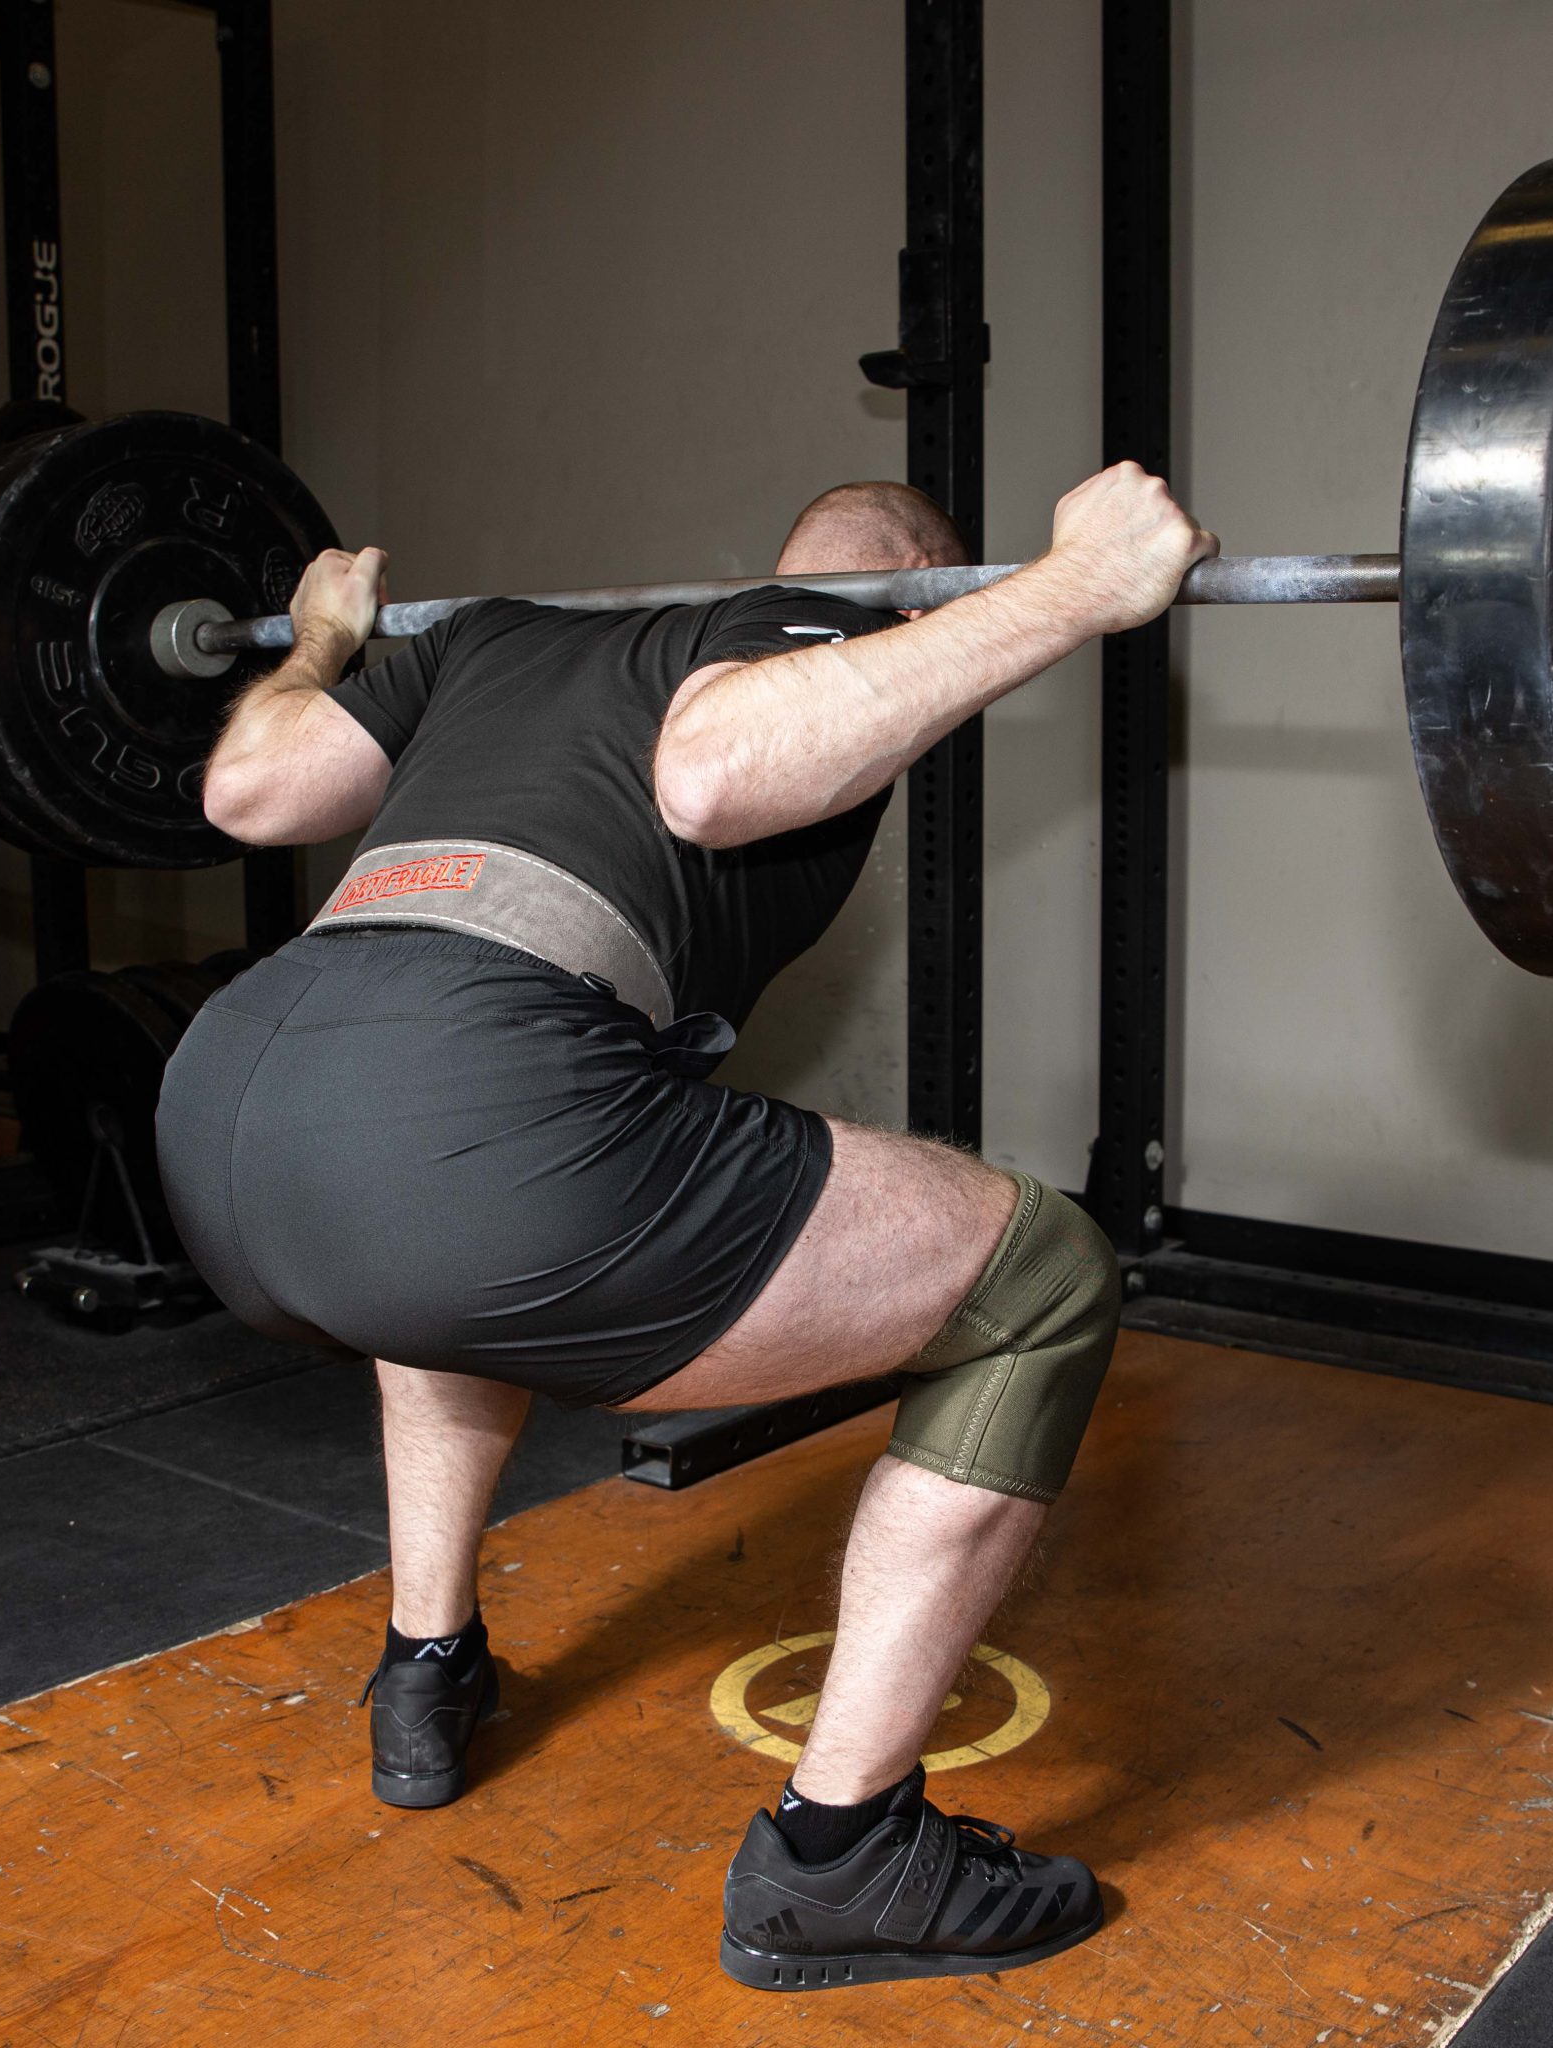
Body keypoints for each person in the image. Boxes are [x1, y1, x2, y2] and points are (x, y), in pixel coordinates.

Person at [155, 461, 1217, 1990]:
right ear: (911, 585)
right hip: (463, 1115)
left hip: (228, 1110)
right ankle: (844, 1859)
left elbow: (248, 792)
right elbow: (715, 774)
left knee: (441, 1274)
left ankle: (426, 1670)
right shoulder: (806, 622)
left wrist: (318, 639)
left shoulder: (486, 639)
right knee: (1042, 1278)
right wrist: (1069, 590)